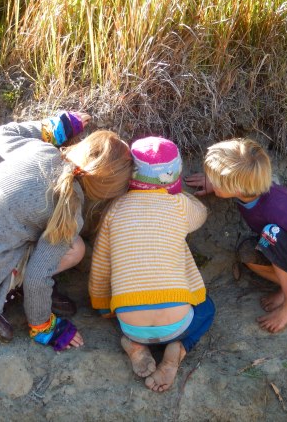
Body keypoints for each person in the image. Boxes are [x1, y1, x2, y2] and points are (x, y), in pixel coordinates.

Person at [0, 111, 133, 351]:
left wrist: (56, 128)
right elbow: (37, 277)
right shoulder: (69, 210)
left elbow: (4, 133)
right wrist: (44, 327)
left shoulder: (42, 150)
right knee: (76, 249)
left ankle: (11, 288)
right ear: (106, 190)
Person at [89, 136, 214, 392]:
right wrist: (178, 194)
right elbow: (200, 214)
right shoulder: (178, 205)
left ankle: (135, 345)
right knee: (207, 308)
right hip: (178, 324)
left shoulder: (114, 209)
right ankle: (178, 350)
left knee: (124, 302)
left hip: (131, 325)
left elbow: (101, 267)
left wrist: (102, 306)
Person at [185, 138, 287, 333]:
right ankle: (286, 287)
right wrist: (216, 185)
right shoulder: (251, 188)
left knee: (270, 233)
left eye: (215, 178)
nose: (209, 178)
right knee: (247, 252)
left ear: (235, 187)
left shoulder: (278, 206)